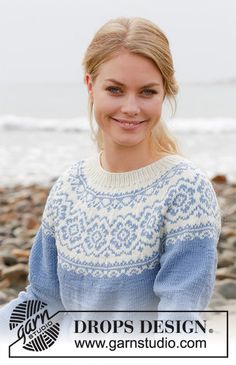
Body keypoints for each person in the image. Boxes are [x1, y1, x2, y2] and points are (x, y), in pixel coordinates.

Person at [0, 17, 221, 330]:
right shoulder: (69, 188)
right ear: (91, 86)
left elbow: (178, 322)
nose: (131, 107)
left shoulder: (186, 190)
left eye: (147, 92)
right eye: (115, 90)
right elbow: (42, 300)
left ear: (165, 94)